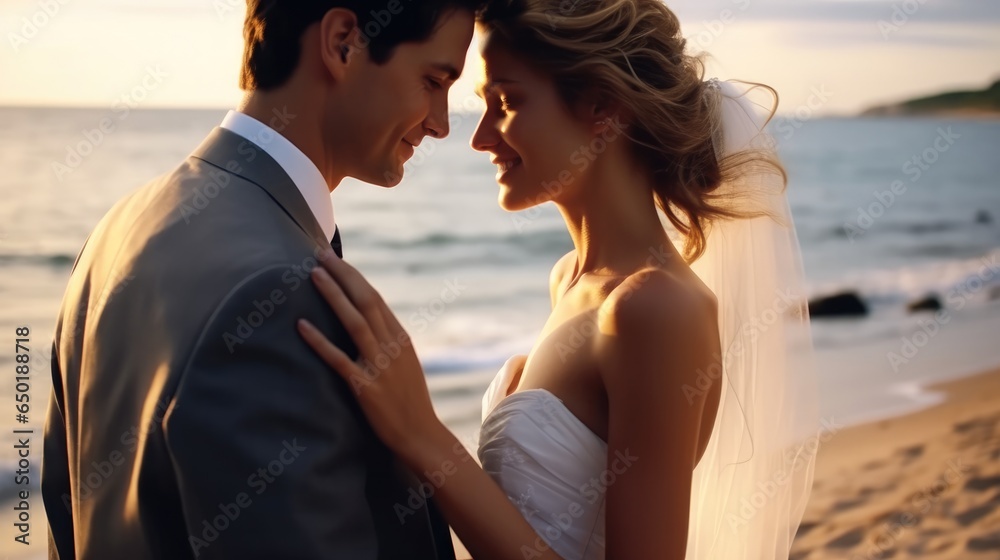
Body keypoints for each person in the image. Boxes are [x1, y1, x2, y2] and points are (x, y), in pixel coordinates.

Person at [297, 0, 820, 558]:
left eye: (506, 102)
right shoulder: (569, 279)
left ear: (602, 107)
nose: (479, 138)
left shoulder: (657, 309)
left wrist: (424, 436)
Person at [41, 1, 482, 558]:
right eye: (433, 80)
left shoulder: (115, 230)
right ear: (344, 41)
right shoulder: (279, 294)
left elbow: (65, 515)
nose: (442, 123)